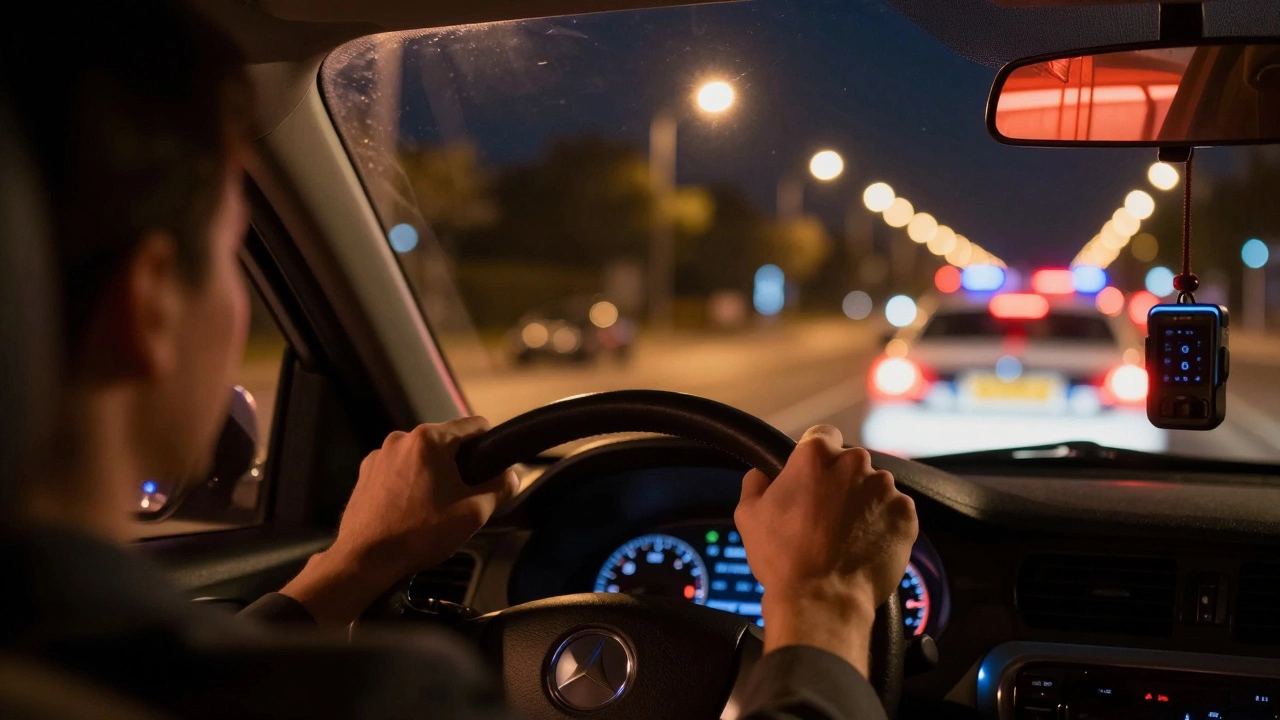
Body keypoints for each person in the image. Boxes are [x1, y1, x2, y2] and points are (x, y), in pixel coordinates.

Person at [0, 1, 918, 718]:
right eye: (235, 247)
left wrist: (353, 565)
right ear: (151, 302)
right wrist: (823, 601)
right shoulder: (382, 702)